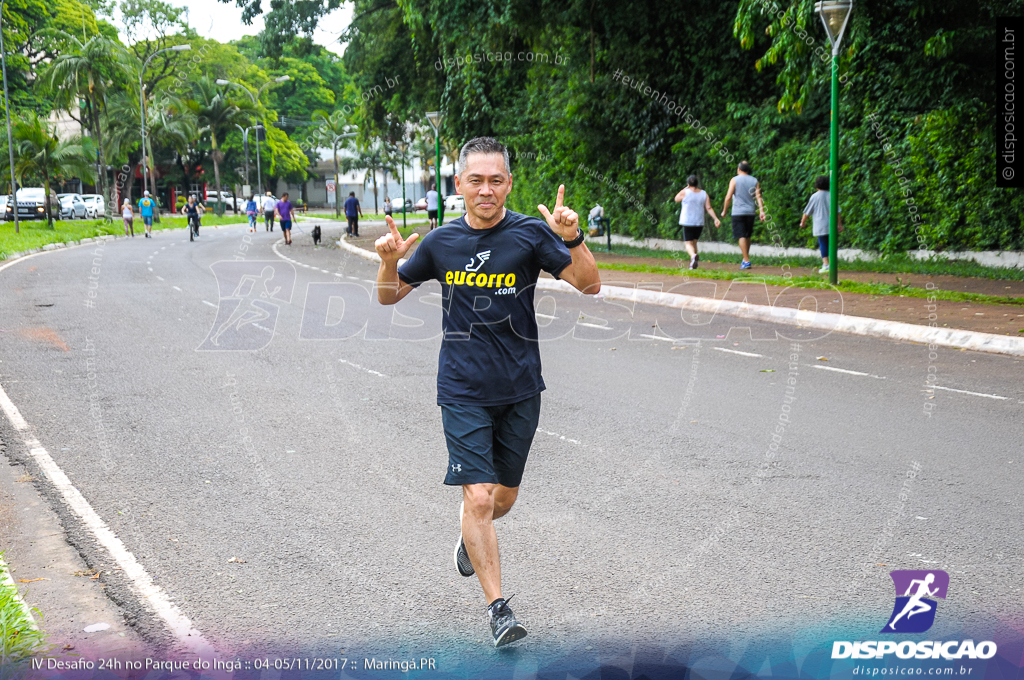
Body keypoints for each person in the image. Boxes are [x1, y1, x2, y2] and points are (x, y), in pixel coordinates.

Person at [374, 136, 601, 648]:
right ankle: (498, 609)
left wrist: (574, 237)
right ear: (459, 185)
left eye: (495, 180)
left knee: (503, 498)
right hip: (462, 387)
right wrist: (388, 261)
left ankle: (468, 538)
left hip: (521, 387)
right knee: (476, 497)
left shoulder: (530, 234)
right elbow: (389, 296)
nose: (486, 190)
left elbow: (589, 285)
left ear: (508, 185)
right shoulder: (439, 242)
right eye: (475, 180)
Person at [720, 161, 765, 270]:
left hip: (738, 212)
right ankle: (745, 259)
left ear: (739, 169)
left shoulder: (734, 180)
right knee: (747, 235)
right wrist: (762, 211)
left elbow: (728, 196)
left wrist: (724, 210)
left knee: (741, 235)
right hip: (750, 212)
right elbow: (758, 196)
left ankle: (746, 260)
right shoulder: (754, 180)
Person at [674, 175, 721, 269]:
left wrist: (684, 188)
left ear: (688, 184)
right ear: (697, 183)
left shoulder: (685, 192)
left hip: (687, 221)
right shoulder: (704, 194)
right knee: (694, 242)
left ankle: (693, 256)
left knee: (688, 243)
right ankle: (694, 264)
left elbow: (676, 199)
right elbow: (708, 207)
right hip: (699, 222)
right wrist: (715, 218)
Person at [799, 175, 843, 274]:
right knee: (831, 244)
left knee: (823, 244)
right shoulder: (832, 195)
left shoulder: (814, 197)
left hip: (820, 225)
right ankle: (833, 263)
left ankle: (826, 264)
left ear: (817, 185)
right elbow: (838, 211)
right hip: (831, 224)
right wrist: (839, 224)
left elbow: (807, 212)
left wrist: (803, 222)